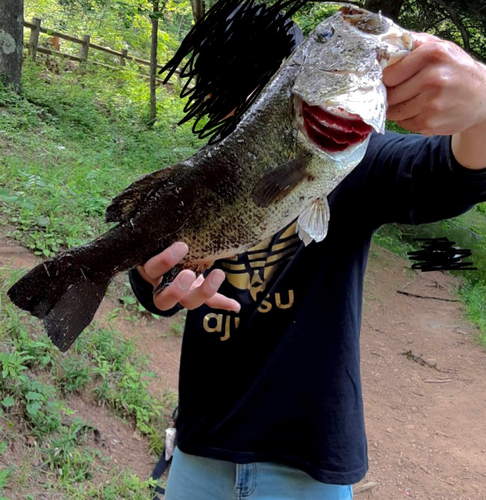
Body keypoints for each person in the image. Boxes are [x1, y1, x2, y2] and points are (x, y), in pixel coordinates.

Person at [129, 16, 486, 500]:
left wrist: (482, 108)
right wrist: (158, 287)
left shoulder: (353, 156)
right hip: (200, 447)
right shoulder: (207, 172)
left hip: (308, 465)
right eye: (233, 88)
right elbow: (153, 275)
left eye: (270, 80)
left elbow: (451, 173)